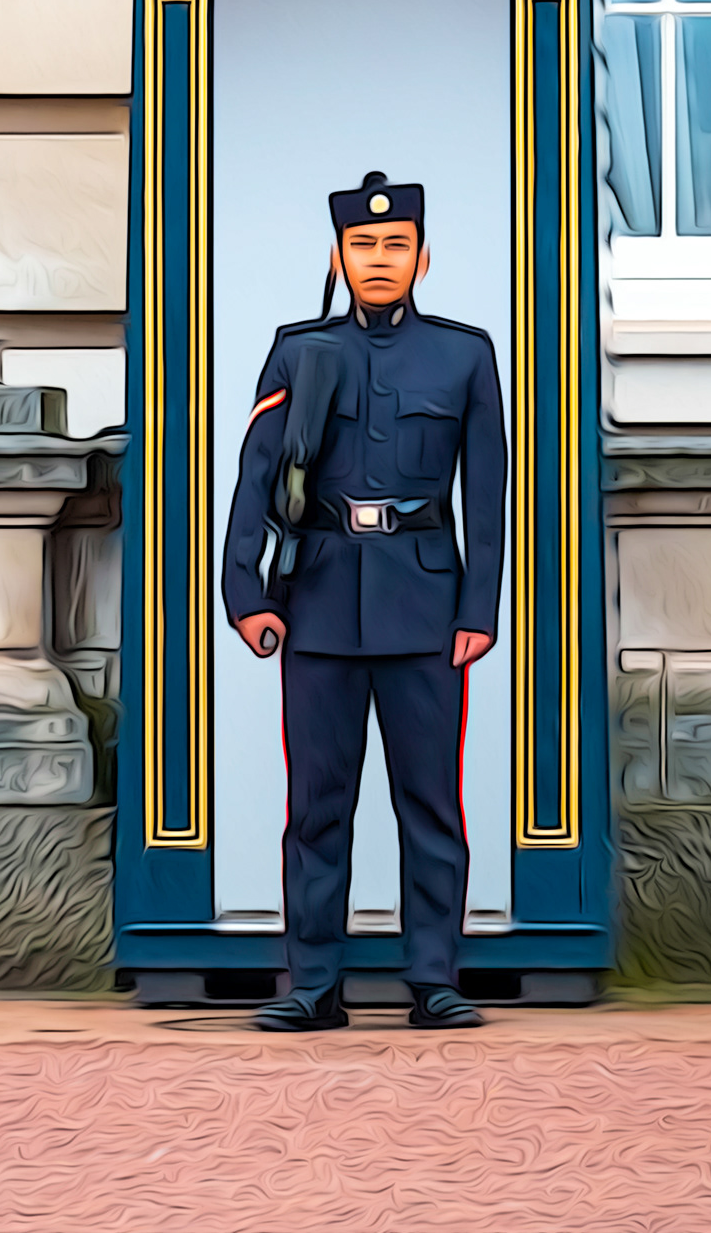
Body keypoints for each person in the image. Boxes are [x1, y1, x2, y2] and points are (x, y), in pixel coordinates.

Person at [221, 170, 507, 1031]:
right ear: (338, 255)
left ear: (424, 257)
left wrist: (478, 609)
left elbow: (488, 494)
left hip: (424, 605)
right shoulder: (299, 348)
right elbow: (256, 476)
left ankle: (435, 978)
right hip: (316, 601)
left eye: (395, 244)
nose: (377, 259)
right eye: (361, 245)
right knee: (317, 802)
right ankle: (312, 983)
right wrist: (245, 590)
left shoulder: (464, 354)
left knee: (429, 800)